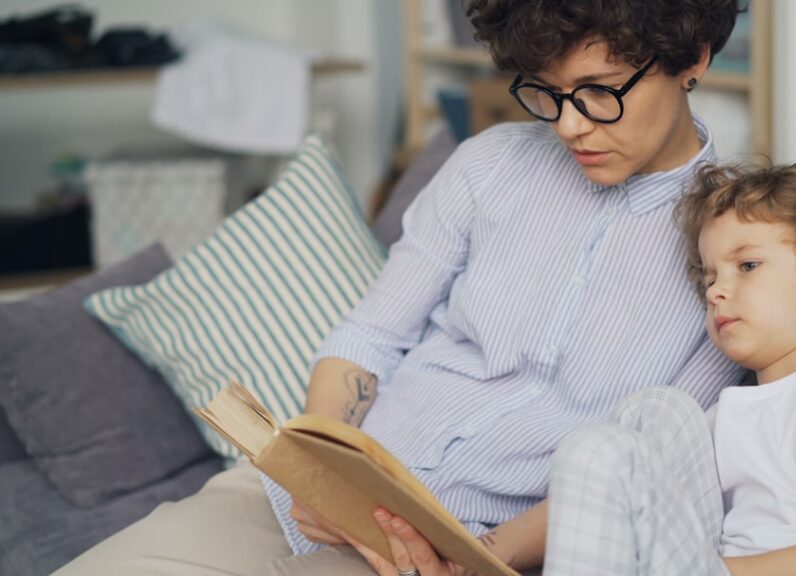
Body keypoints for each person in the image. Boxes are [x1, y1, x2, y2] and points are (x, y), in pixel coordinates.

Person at [55, 1, 746, 575]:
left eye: (600, 90)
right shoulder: (490, 165)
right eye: (549, 92)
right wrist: (321, 469)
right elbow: (370, 336)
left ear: (692, 61)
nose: (569, 123)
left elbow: (650, 454)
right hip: (305, 493)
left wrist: (478, 557)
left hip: (465, 543)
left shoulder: (744, 243)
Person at [538, 157, 796, 576]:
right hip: (711, 561)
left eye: (747, 266)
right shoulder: (725, 417)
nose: (716, 292)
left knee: (613, 442)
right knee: (654, 412)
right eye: (710, 278)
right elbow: (605, 487)